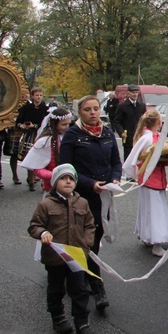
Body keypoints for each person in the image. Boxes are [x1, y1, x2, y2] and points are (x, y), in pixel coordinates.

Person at [59, 95, 122, 313]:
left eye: (96, 108)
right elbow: (66, 169)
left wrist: (115, 178)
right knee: (84, 239)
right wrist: (90, 183)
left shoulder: (106, 133)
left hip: (102, 196)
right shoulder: (72, 135)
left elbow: (116, 161)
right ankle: (97, 287)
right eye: (88, 109)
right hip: (79, 196)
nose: (93, 113)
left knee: (93, 239)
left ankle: (82, 275)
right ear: (80, 112)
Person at [28, 164, 96, 334]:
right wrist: (43, 233)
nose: (68, 182)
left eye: (71, 178)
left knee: (79, 289)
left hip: (76, 256)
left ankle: (82, 322)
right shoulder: (45, 204)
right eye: (63, 178)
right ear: (54, 182)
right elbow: (34, 226)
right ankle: (58, 317)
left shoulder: (82, 202)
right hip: (55, 257)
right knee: (56, 289)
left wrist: (87, 242)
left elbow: (89, 225)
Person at [123, 109, 168, 257]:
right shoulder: (147, 138)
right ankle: (156, 243)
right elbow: (138, 158)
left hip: (157, 177)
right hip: (150, 179)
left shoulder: (154, 136)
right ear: (158, 122)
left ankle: (148, 237)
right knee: (155, 211)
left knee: (150, 210)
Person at [21, 108, 73, 192]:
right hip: (51, 187)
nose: (67, 127)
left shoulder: (68, 137)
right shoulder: (45, 141)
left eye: (68, 124)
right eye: (63, 124)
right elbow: (37, 169)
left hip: (70, 186)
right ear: (54, 124)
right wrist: (55, 175)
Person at [15, 87, 49, 191]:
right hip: (29, 135)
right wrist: (21, 125)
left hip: (41, 135)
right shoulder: (27, 108)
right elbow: (18, 121)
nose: (39, 97)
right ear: (33, 96)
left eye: (40, 95)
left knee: (42, 158)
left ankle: (44, 181)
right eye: (37, 95)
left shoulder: (45, 109)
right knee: (30, 156)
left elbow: (47, 124)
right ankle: (30, 180)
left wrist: (34, 125)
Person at [112, 84, 146, 160]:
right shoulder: (122, 106)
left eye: (136, 92)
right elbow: (117, 121)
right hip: (128, 138)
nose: (135, 94)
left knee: (140, 159)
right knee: (129, 160)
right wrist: (121, 133)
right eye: (133, 92)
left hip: (139, 137)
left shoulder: (141, 105)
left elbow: (145, 120)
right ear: (128, 93)